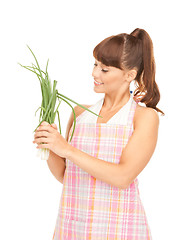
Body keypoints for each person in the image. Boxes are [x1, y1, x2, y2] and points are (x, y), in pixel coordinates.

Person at [33, 28, 164, 239]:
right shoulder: (79, 113)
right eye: (95, 65)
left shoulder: (144, 117)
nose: (94, 73)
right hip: (73, 227)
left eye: (105, 69)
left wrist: (66, 149)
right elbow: (67, 176)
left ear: (129, 75)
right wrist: (49, 146)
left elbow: (123, 177)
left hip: (121, 227)